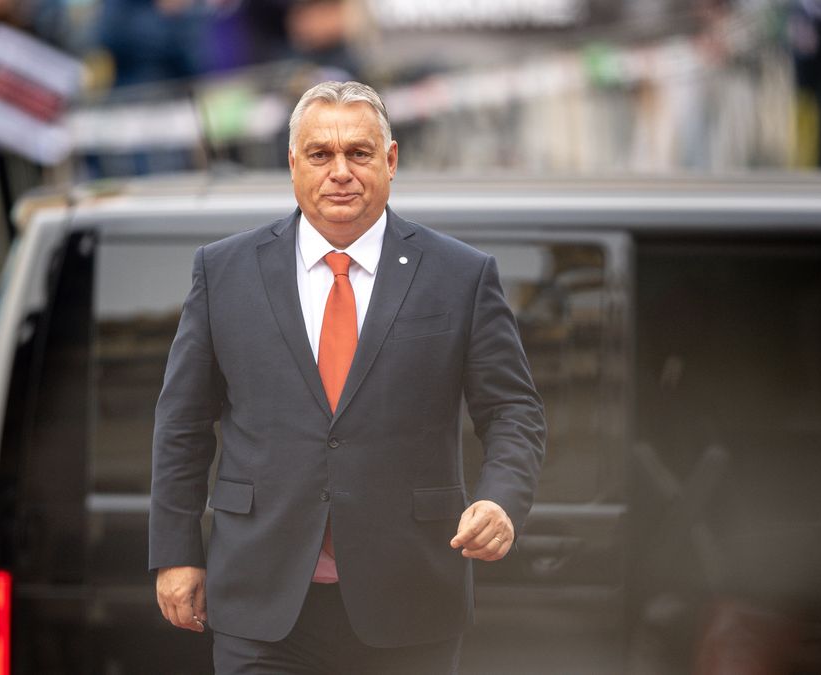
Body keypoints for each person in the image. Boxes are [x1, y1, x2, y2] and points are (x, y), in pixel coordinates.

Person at [149, 81, 546, 674]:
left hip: (409, 602)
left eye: (358, 153)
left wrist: (501, 500)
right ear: (292, 165)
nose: (340, 171)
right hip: (261, 601)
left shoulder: (460, 275)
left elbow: (513, 411)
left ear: (390, 161)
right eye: (320, 154)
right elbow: (182, 423)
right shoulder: (224, 270)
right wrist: (176, 551)